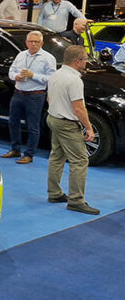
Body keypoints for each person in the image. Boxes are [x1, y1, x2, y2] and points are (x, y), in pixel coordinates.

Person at [46, 45, 99, 215]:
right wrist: (89, 128)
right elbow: (79, 109)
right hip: (67, 125)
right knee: (80, 161)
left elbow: (48, 98)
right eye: (85, 59)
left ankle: (54, 193)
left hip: (53, 119)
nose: (86, 63)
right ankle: (76, 200)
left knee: (57, 156)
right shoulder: (74, 80)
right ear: (77, 61)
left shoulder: (55, 75)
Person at [0, 30, 57, 164]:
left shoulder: (48, 58)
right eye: (30, 41)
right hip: (18, 93)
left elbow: (52, 79)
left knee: (33, 126)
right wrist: (16, 77)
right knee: (13, 122)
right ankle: (15, 149)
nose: (33, 44)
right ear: (26, 43)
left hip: (35, 96)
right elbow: (11, 71)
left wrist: (33, 76)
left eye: (36, 42)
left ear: (41, 43)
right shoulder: (21, 55)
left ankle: (29, 154)